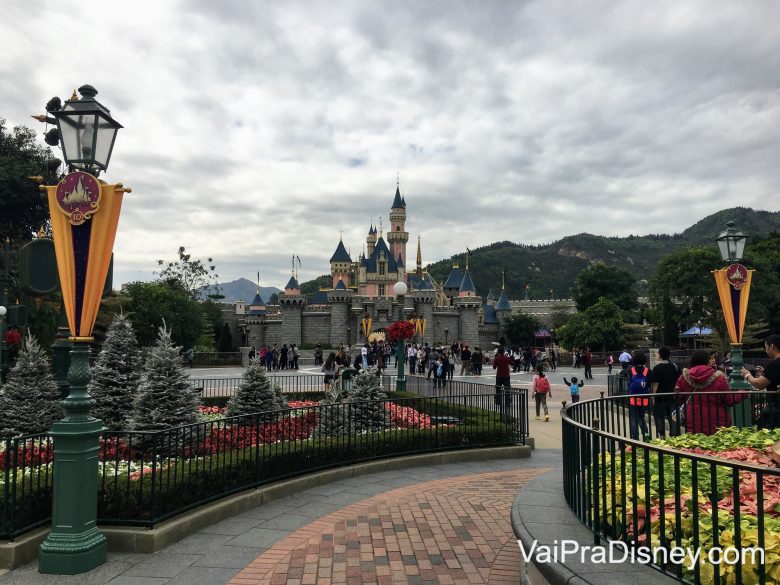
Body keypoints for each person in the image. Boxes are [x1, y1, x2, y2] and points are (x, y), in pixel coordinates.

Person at [677, 349, 745, 435]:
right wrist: (742, 393)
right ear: (707, 360)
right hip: (717, 418)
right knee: (716, 445)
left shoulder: (685, 376)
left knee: (695, 444)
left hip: (693, 417)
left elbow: (678, 396)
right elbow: (729, 400)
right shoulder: (719, 377)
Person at [742, 334, 780, 428]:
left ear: (771, 346)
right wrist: (764, 372)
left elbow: (759, 384)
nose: (766, 350)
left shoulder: (774, 363)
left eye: (766, 346)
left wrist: (747, 374)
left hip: (776, 406)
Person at [651, 347, 679, 438]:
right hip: (672, 396)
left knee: (659, 416)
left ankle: (661, 434)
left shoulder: (657, 368)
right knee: (673, 416)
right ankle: (674, 435)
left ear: (660, 355)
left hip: (660, 396)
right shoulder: (674, 366)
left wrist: (653, 396)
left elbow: (656, 383)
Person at [626, 352, 650, 440]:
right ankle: (647, 437)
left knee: (633, 419)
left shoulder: (630, 371)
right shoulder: (647, 371)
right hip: (644, 399)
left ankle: (635, 439)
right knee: (641, 418)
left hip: (633, 399)